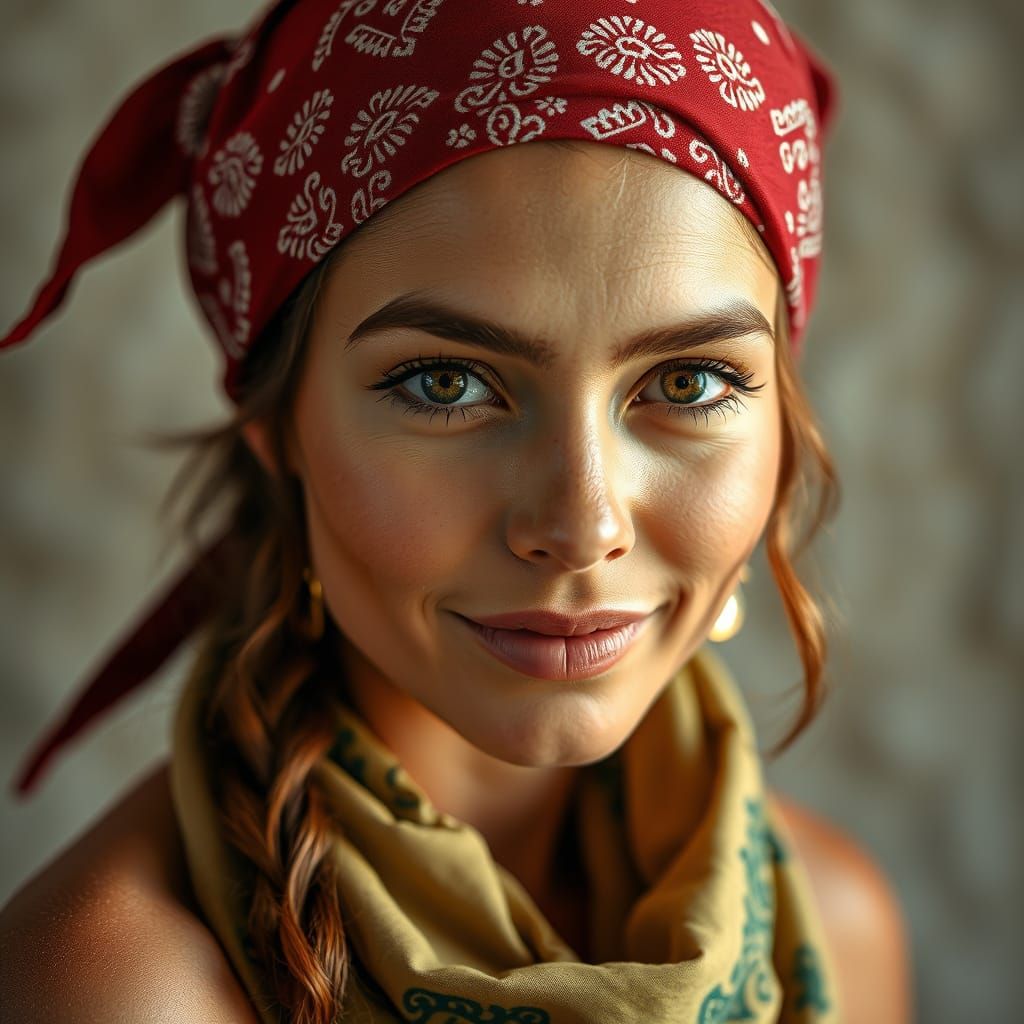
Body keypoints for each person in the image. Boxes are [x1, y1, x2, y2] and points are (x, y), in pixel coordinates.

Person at [0, 2, 911, 1021]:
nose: (579, 524)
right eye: (445, 384)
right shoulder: (117, 989)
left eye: (691, 383)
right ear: (281, 434)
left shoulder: (834, 929)